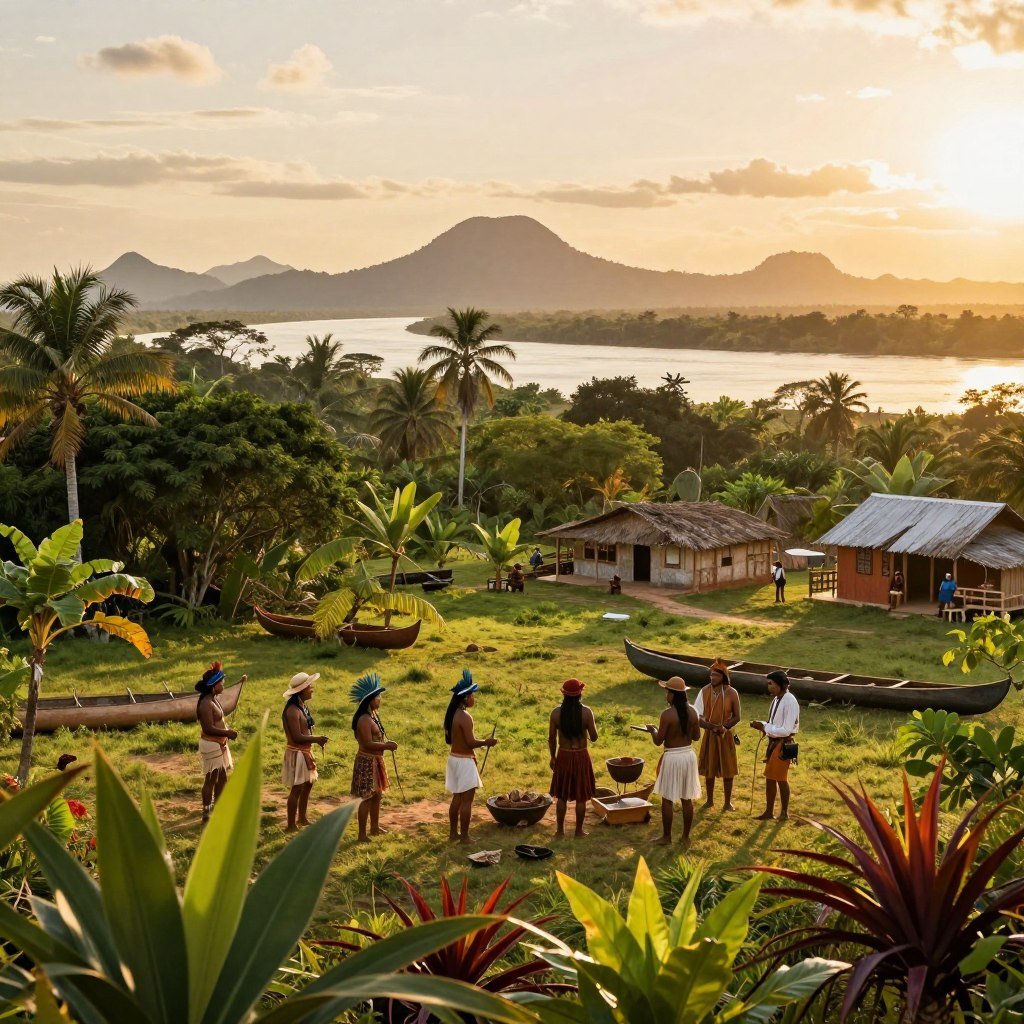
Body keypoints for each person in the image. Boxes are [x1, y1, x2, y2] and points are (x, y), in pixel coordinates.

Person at [645, 676, 701, 845]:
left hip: (672, 757)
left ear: (672, 694)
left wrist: (652, 730)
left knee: (667, 799)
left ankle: (667, 837)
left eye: (666, 692)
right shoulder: (693, 712)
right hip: (688, 756)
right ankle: (685, 837)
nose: (665, 695)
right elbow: (697, 736)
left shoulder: (667, 715)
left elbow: (658, 740)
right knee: (687, 798)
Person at [444, 670, 497, 844]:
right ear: (465, 697)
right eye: (472, 695)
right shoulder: (464, 716)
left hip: (454, 758)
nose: (474, 698)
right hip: (464, 761)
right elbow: (470, 742)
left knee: (457, 797)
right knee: (466, 800)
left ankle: (453, 834)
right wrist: (486, 742)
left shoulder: (453, 714)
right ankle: (465, 837)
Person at [350, 672, 397, 843]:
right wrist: (386, 746)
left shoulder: (373, 716)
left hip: (376, 761)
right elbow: (368, 744)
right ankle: (362, 835)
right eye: (378, 697)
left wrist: (385, 744)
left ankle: (375, 828)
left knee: (377, 796)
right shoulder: (363, 719)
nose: (380, 700)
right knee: (366, 798)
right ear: (370, 700)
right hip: (367, 761)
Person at [548, 678, 598, 838]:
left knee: (562, 795)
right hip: (581, 755)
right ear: (579, 694)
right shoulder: (586, 712)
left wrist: (553, 757)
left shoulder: (556, 713)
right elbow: (594, 737)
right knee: (581, 796)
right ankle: (579, 831)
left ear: (564, 694)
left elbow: (551, 739)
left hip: (563, 754)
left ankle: (560, 831)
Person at [750, 669, 800, 821]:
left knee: (780, 778)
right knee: (770, 778)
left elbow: (785, 730)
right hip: (774, 742)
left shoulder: (790, 701)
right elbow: (774, 724)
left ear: (779, 685)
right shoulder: (777, 699)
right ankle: (769, 812)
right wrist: (762, 724)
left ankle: (784, 813)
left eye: (771, 683)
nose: (768, 686)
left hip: (783, 744)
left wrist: (764, 727)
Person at [196, 661, 242, 823]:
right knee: (211, 779)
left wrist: (225, 733)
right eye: (221, 683)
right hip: (211, 744)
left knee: (222, 778)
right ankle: (206, 812)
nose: (223, 686)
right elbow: (208, 728)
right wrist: (227, 733)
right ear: (213, 686)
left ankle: (218, 807)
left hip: (219, 743)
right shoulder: (205, 704)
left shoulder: (213, 699)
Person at [282, 671, 327, 832]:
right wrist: (316, 739)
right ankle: (290, 824)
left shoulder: (302, 706)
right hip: (297, 752)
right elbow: (297, 736)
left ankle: (302, 818)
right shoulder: (292, 711)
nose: (312, 689)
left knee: (307, 785)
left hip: (305, 751)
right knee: (297, 788)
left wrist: (315, 740)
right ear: (301, 690)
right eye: (309, 686)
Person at [693, 659, 741, 811]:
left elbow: (737, 716)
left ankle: (727, 803)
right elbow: (697, 716)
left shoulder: (732, 693)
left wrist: (724, 727)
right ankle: (709, 800)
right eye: (711, 675)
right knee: (709, 768)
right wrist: (711, 727)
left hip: (726, 735)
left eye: (716, 676)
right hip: (710, 735)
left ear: (723, 678)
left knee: (728, 769)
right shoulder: (704, 691)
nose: (712, 678)